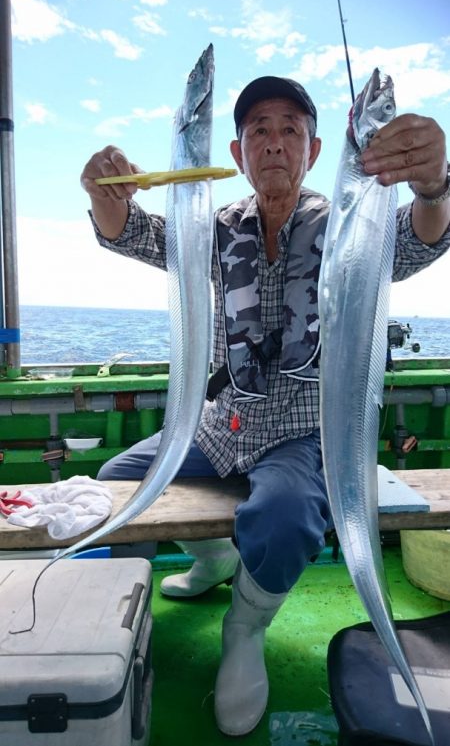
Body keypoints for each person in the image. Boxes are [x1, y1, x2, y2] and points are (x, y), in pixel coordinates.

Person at [81, 76, 450, 737]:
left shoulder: (351, 221)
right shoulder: (215, 228)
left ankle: (245, 623)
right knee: (115, 488)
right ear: (235, 150)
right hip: (218, 425)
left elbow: (420, 237)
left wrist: (432, 187)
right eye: (259, 130)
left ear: (312, 149)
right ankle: (215, 560)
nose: (274, 142)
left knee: (281, 517)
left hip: (303, 433)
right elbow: (131, 232)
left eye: (290, 129)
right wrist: (103, 194)